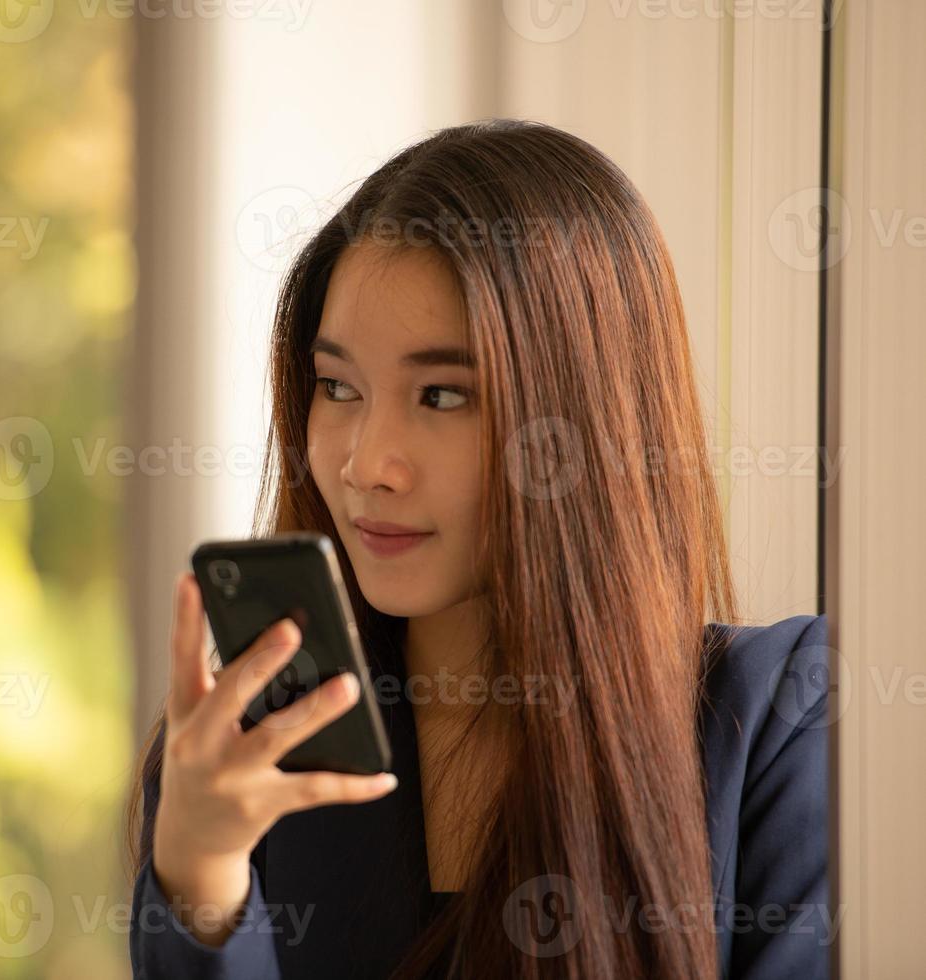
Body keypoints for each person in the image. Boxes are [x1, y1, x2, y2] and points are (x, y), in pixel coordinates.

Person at [124, 119, 833, 979]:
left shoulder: (777, 720)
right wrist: (201, 882)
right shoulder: (250, 761)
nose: (365, 464)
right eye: (338, 386)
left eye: (443, 396)